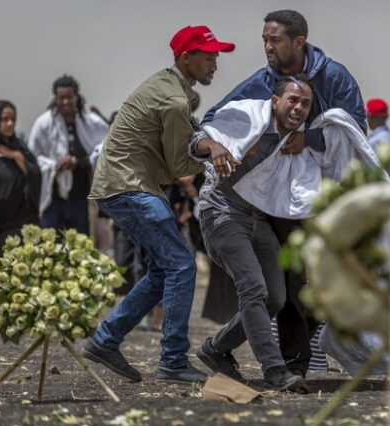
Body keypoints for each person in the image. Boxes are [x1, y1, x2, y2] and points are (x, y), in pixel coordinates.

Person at [201, 9, 366, 378]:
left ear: (298, 42)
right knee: (287, 280)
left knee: (326, 276)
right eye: (264, 39)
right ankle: (292, 363)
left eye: (274, 40)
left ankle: (317, 350)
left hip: (325, 193)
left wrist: (310, 138)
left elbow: (357, 127)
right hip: (276, 198)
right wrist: (220, 146)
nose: (267, 46)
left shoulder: (333, 77)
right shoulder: (262, 82)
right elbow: (214, 117)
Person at [80, 25, 236, 384]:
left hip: (127, 184)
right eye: (208, 56)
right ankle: (173, 360)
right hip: (129, 186)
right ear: (185, 58)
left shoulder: (175, 89)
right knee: (182, 266)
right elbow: (179, 168)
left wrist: (206, 146)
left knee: (165, 269)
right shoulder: (174, 100)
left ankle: (105, 340)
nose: (215, 64)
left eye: (216, 56)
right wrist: (214, 154)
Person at [194, 77, 315, 392]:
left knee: (275, 298)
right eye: (293, 100)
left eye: (305, 103)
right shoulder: (248, 118)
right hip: (221, 214)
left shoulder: (297, 142)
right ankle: (274, 370)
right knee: (254, 289)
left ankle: (216, 349)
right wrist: (216, 147)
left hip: (257, 219)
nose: (299, 107)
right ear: (275, 101)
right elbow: (195, 141)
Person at [0, 100, 41, 331]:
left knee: (11, 268)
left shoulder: (19, 148)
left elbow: (35, 175)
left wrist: (15, 156)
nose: (10, 123)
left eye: (13, 118)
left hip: (13, 221)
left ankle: (12, 317)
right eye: (5, 119)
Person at [28, 75, 109, 234]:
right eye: (61, 98)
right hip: (52, 199)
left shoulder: (91, 122)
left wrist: (78, 162)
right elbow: (32, 157)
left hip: (80, 198)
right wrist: (54, 165)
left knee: (81, 248)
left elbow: (106, 146)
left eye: (69, 97)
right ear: (55, 99)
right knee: (51, 247)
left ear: (77, 97)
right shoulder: (43, 124)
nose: (65, 102)